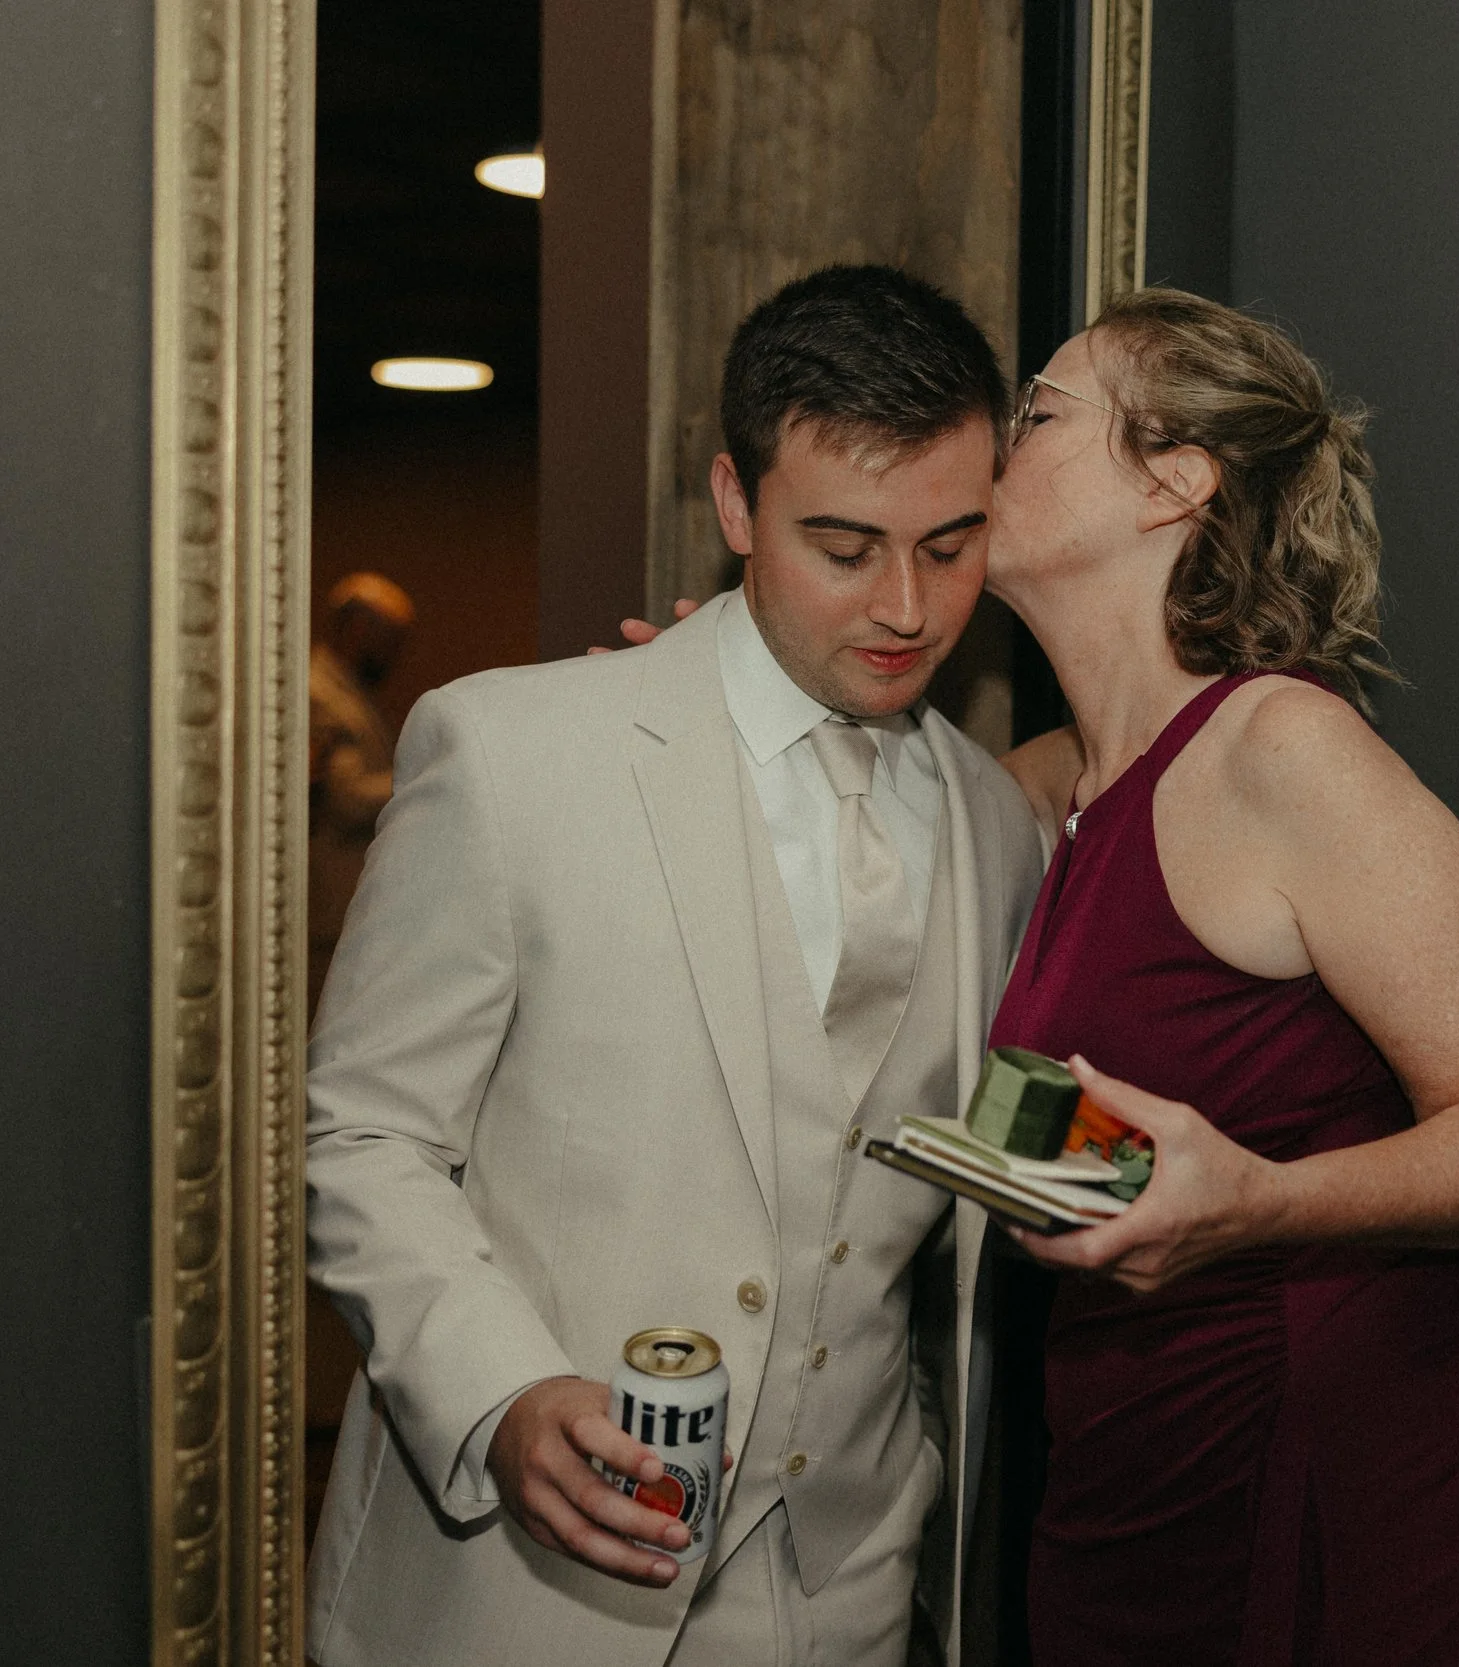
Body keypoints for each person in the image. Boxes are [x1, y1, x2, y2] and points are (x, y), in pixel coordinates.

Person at [302, 265, 1046, 1667]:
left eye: (951, 545)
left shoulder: (996, 823)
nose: (907, 605)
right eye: (844, 545)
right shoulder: (515, 751)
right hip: (520, 1594)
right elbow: (362, 1133)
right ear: (733, 504)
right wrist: (499, 1392)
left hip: (847, 1588)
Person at [982, 289, 1459, 1664]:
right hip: (1136, 1481)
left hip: (1350, 1494)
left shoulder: (1282, 751)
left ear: (1174, 481)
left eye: (1037, 414)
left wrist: (1259, 1197)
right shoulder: (1053, 780)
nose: (991, 447)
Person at [307, 570, 415, 1004]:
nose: (394, 655)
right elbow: (346, 798)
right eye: (390, 640)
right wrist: (418, 775)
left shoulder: (349, 693)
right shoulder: (319, 694)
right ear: (358, 628)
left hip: (348, 892)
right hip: (328, 896)